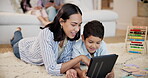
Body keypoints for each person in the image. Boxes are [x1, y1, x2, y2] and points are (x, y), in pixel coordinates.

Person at [10, 3, 90, 77]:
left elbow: (65, 59)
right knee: (15, 42)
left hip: (36, 42)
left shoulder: (70, 35)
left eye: (79, 25)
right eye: (73, 24)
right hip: (22, 49)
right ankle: (17, 31)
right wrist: (80, 58)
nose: (77, 29)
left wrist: (70, 69)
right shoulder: (47, 33)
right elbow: (51, 68)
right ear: (61, 21)